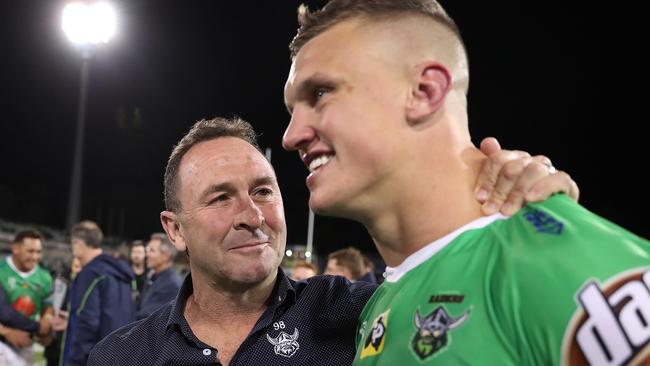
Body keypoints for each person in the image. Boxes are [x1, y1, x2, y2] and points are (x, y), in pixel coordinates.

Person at [282, 1, 650, 364]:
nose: (291, 135)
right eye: (292, 110)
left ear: (425, 91)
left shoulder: (555, 257)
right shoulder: (380, 301)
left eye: (321, 93)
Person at [89, 117, 577, 365]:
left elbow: (512, 312)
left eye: (263, 191)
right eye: (221, 198)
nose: (252, 216)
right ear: (175, 229)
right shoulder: (120, 356)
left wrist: (537, 213)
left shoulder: (361, 314)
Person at [58, 220, 135, 366]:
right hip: (121, 355)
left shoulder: (90, 273)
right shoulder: (121, 272)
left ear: (79, 243)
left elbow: (87, 323)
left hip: (95, 358)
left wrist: (75, 361)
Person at [0, 229, 53, 364]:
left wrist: (47, 322)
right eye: (30, 251)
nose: (35, 257)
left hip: (26, 342)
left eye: (38, 252)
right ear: (15, 248)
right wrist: (6, 332)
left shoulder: (45, 277)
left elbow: (47, 306)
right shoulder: (1, 270)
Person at [136, 233, 182, 319]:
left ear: (166, 256)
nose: (147, 254)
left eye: (152, 250)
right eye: (147, 250)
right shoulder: (154, 278)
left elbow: (147, 317)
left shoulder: (172, 284)